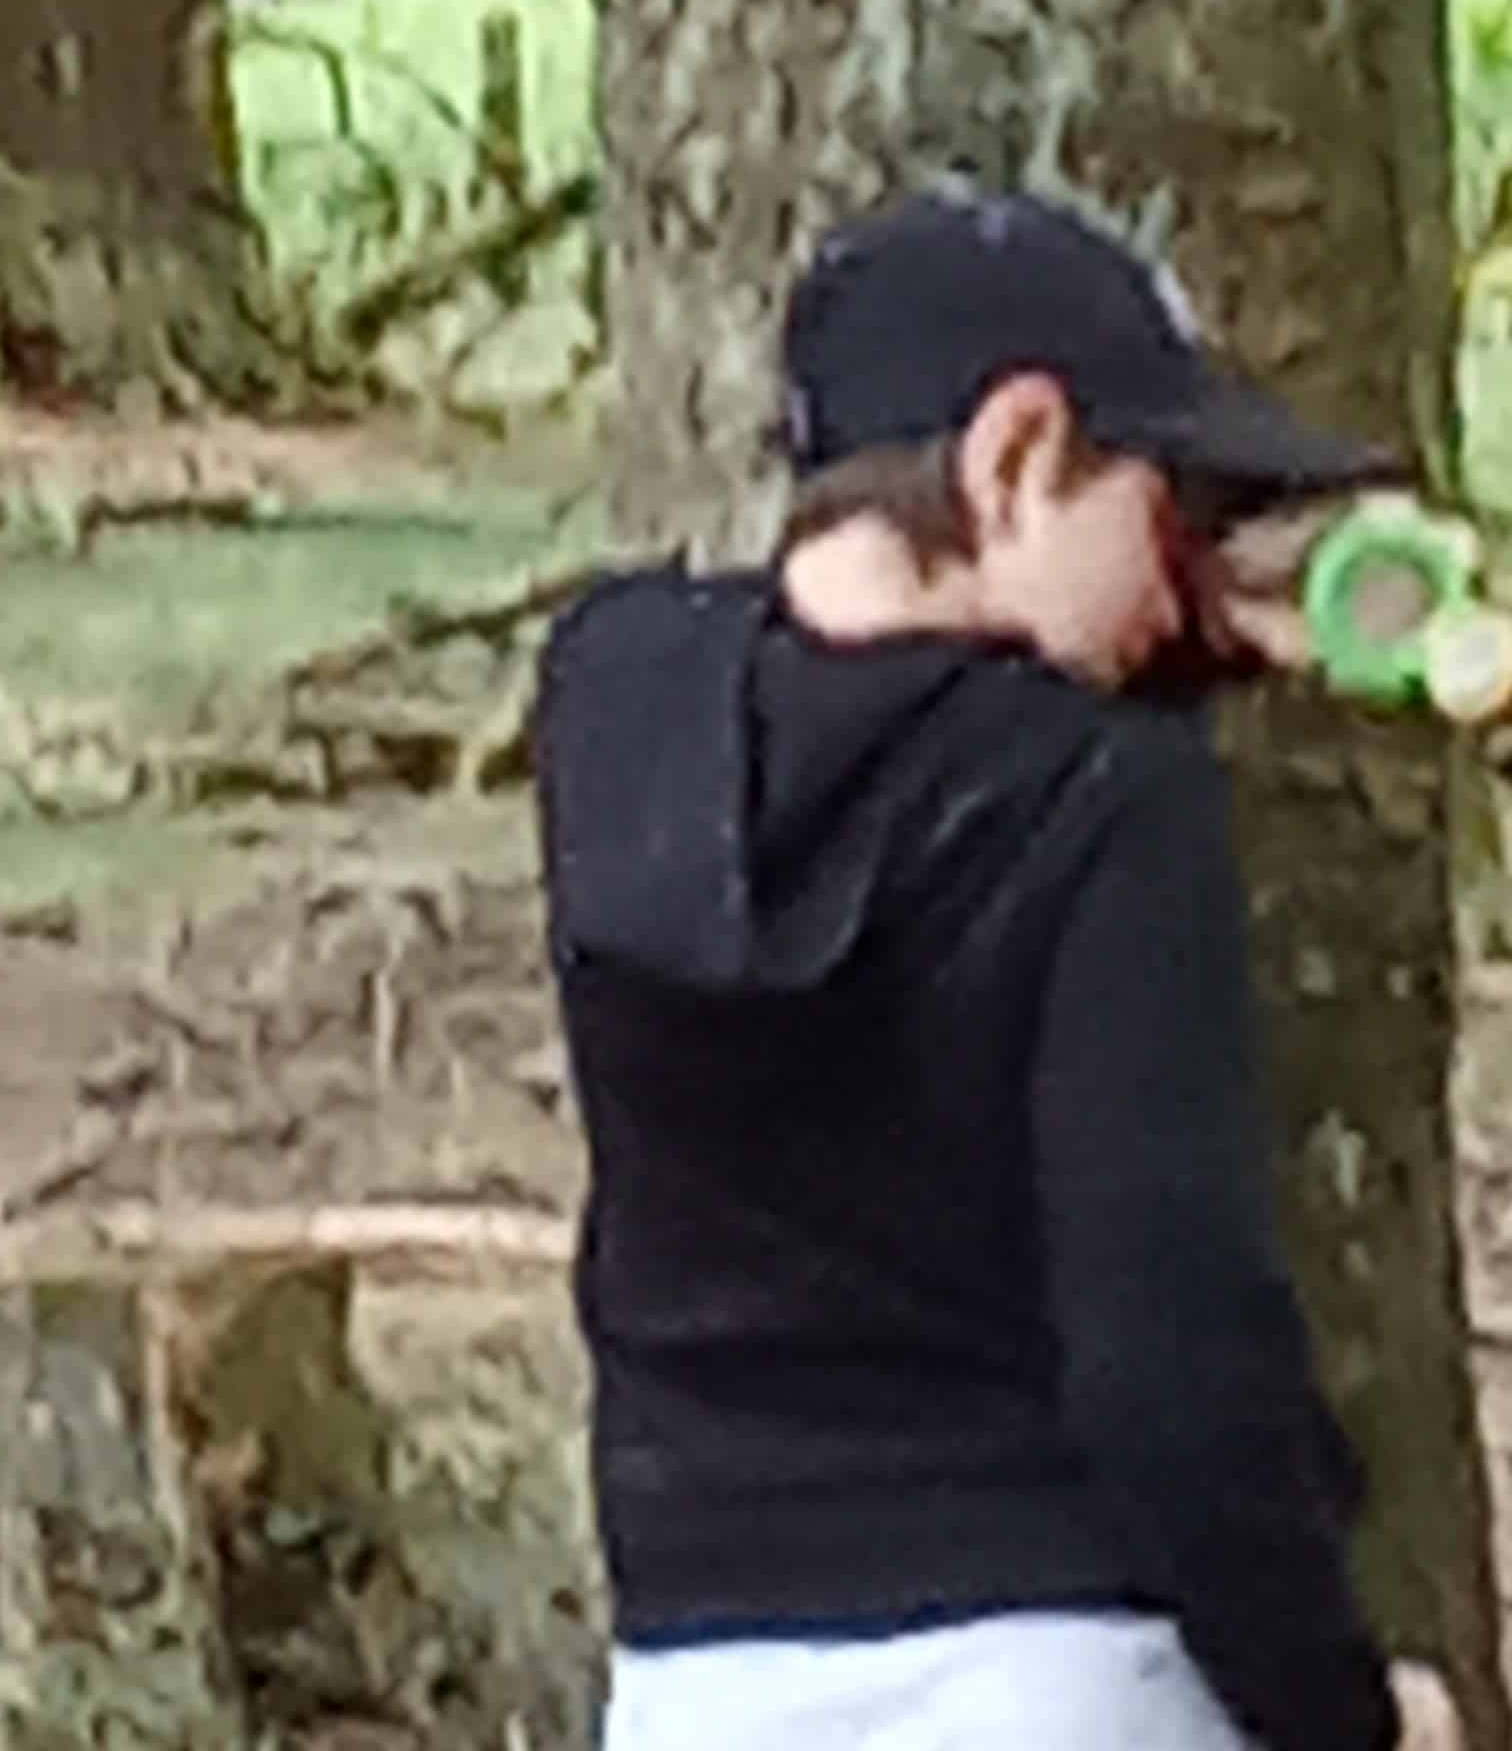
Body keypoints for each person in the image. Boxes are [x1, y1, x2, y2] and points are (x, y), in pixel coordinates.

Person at [533, 186, 1467, 1751]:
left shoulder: (618, 715)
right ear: (1019, 453)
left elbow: (881, 738)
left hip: (705, 1671)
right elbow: (1174, 1363)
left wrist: (1197, 630)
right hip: (1063, 1658)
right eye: (1164, 501)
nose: (1181, 562)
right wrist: (1343, 1713)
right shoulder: (1103, 804)